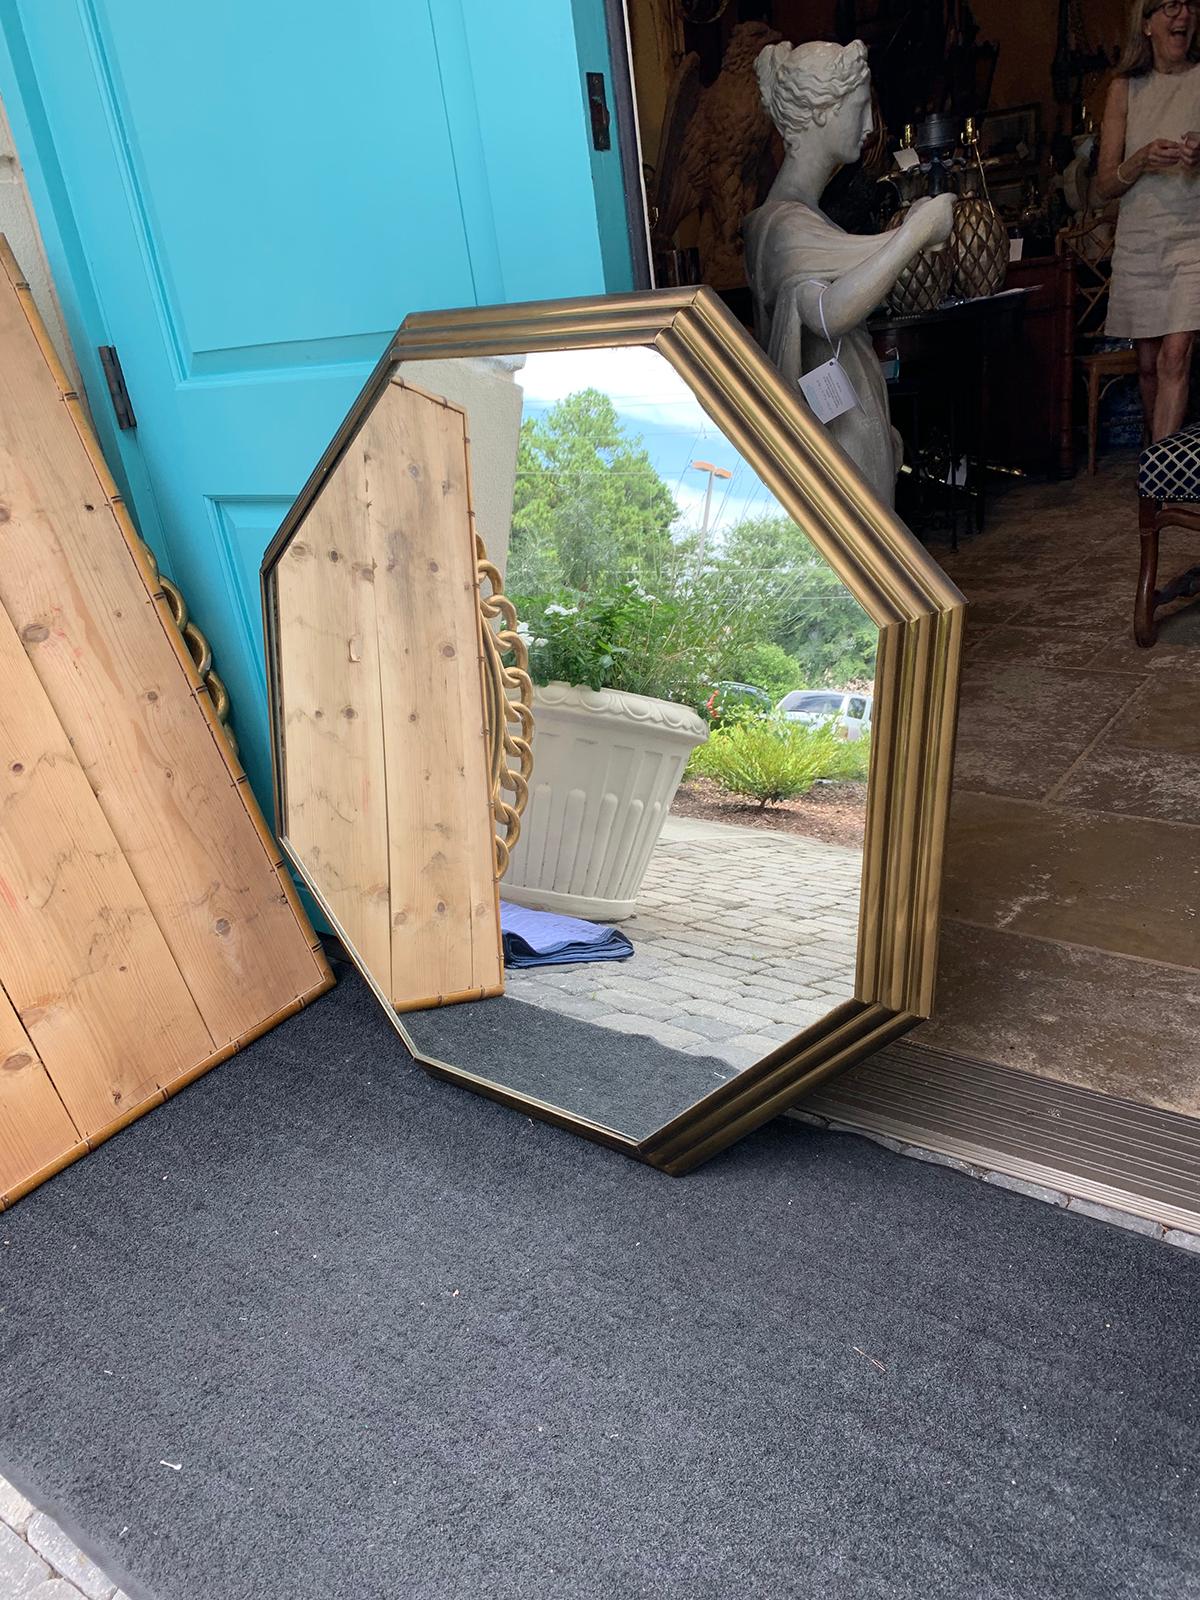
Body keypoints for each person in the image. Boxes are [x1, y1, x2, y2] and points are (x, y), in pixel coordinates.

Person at [743, 39, 954, 505]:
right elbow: (827, 313)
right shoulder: (783, 227)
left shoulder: (806, 221)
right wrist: (914, 234)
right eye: (858, 108)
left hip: (854, 423)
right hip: (836, 445)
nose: (868, 125)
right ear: (821, 112)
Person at [1098, 0, 1200, 440]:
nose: (1183, 15)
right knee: (1148, 367)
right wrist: (1139, 160)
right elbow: (1104, 183)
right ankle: (1162, 462)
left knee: (1176, 356)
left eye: (1190, 5)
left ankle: (1158, 487)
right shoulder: (1124, 89)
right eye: (1170, 6)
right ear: (1146, 24)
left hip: (1192, 236)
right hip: (1140, 241)